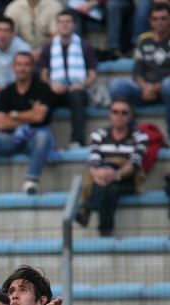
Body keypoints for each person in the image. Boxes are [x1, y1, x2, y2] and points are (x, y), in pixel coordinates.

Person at [0, 51, 55, 196]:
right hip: (9, 139)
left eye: (26, 65)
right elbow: (1, 123)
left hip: (33, 139)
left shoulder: (42, 88)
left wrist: (14, 115)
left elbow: (39, 117)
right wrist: (29, 115)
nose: (22, 68)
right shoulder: (7, 91)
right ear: (13, 67)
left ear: (32, 67)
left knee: (44, 137)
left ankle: (31, 181)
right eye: (19, 64)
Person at [74, 98, 149, 236]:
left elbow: (135, 162)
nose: (119, 116)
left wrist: (115, 174)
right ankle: (105, 229)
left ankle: (87, 207)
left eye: (124, 112)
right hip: (103, 179)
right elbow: (93, 161)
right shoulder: (99, 135)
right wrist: (99, 175)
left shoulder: (140, 136)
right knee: (110, 188)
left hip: (127, 179)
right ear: (110, 114)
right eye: (115, 112)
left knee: (110, 176)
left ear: (130, 115)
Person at [108, 3, 170, 138]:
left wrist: (156, 87)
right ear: (150, 21)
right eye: (155, 18)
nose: (159, 22)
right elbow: (137, 70)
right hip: (145, 90)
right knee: (116, 85)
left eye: (163, 18)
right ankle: (129, 132)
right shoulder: (143, 39)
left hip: (165, 90)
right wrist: (145, 86)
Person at [38, 10, 97, 148]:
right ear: (57, 25)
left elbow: (93, 75)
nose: (64, 25)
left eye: (67, 22)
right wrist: (51, 84)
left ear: (74, 25)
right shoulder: (48, 47)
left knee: (77, 96)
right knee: (43, 95)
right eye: (60, 22)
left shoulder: (85, 45)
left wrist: (82, 84)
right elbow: (43, 75)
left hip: (77, 89)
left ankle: (77, 140)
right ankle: (43, 140)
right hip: (56, 88)